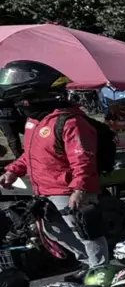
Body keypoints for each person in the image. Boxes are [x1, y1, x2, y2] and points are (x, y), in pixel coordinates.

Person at [0, 61, 109, 267]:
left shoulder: (70, 122)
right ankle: (88, 263)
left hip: (69, 189)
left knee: (86, 231)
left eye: (24, 101)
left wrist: (80, 189)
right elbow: (30, 155)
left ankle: (101, 269)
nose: (22, 106)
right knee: (53, 231)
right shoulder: (35, 122)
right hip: (44, 190)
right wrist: (13, 171)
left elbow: (83, 159)